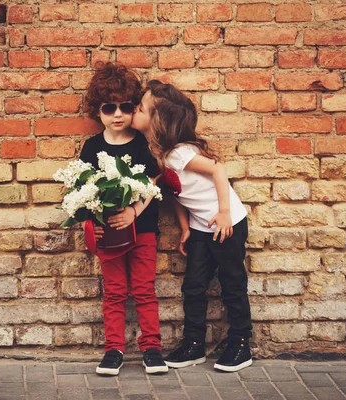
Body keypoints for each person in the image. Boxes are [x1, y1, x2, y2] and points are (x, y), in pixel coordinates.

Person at [131, 80, 253, 372]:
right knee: (194, 286)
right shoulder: (158, 154)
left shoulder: (179, 153)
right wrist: (185, 228)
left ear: (157, 120)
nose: (134, 112)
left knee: (232, 284)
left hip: (227, 223)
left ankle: (241, 344)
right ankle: (194, 345)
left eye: (139, 108)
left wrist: (224, 213)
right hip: (200, 227)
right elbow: (176, 193)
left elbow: (218, 170)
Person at [79, 63, 168, 376]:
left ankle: (152, 348)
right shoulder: (92, 148)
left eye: (125, 107)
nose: (117, 114)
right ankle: (113, 349)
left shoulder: (143, 144)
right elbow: (83, 190)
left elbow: (155, 181)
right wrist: (90, 224)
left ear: (134, 108)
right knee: (114, 292)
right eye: (108, 108)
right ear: (97, 111)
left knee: (144, 290)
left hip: (142, 229)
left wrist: (133, 211)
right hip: (108, 235)